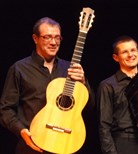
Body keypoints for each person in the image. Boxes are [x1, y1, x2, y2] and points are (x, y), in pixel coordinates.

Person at [0, 17, 95, 154]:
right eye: (47, 37)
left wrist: (83, 83)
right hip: (32, 145)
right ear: (35, 38)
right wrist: (21, 130)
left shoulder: (71, 69)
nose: (53, 42)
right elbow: (5, 109)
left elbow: (89, 108)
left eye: (57, 38)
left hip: (66, 144)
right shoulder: (19, 69)